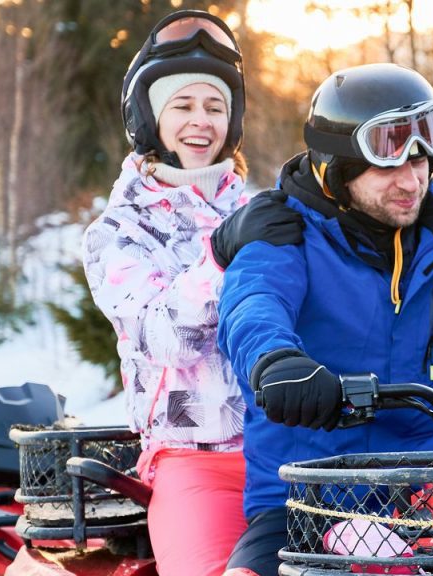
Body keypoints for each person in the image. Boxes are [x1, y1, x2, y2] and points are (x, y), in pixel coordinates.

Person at [213, 63, 433, 575]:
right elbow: (253, 304)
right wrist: (276, 361)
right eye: (388, 168)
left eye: (422, 162)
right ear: (337, 169)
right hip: (308, 492)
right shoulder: (283, 232)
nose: (412, 182)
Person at [82, 11, 300, 575]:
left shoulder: (263, 212)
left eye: (215, 107)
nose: (200, 121)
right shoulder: (117, 233)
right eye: (182, 105)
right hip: (193, 461)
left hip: (289, 455)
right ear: (149, 117)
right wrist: (220, 254)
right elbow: (165, 338)